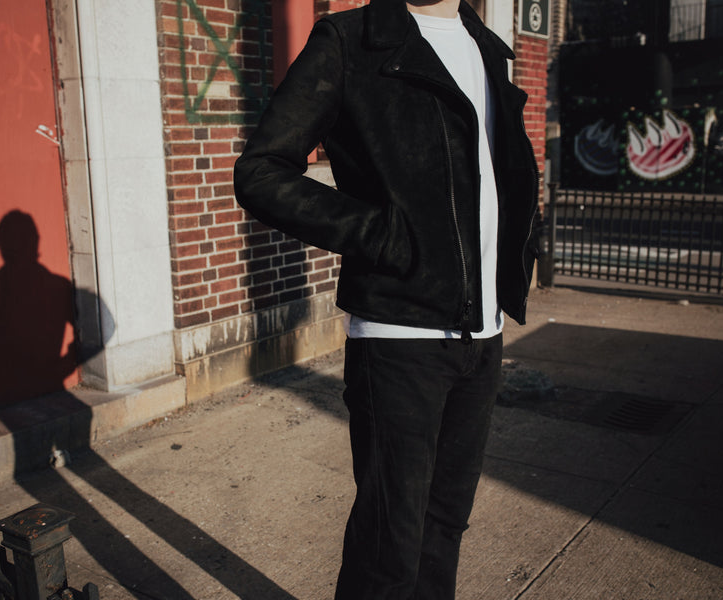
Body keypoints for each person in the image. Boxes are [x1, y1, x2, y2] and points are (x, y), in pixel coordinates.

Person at [233, 0, 539, 598]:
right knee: (388, 547)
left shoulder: (486, 48)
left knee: (444, 527)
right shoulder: (352, 40)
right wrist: (381, 235)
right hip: (400, 339)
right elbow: (262, 171)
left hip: (482, 336)